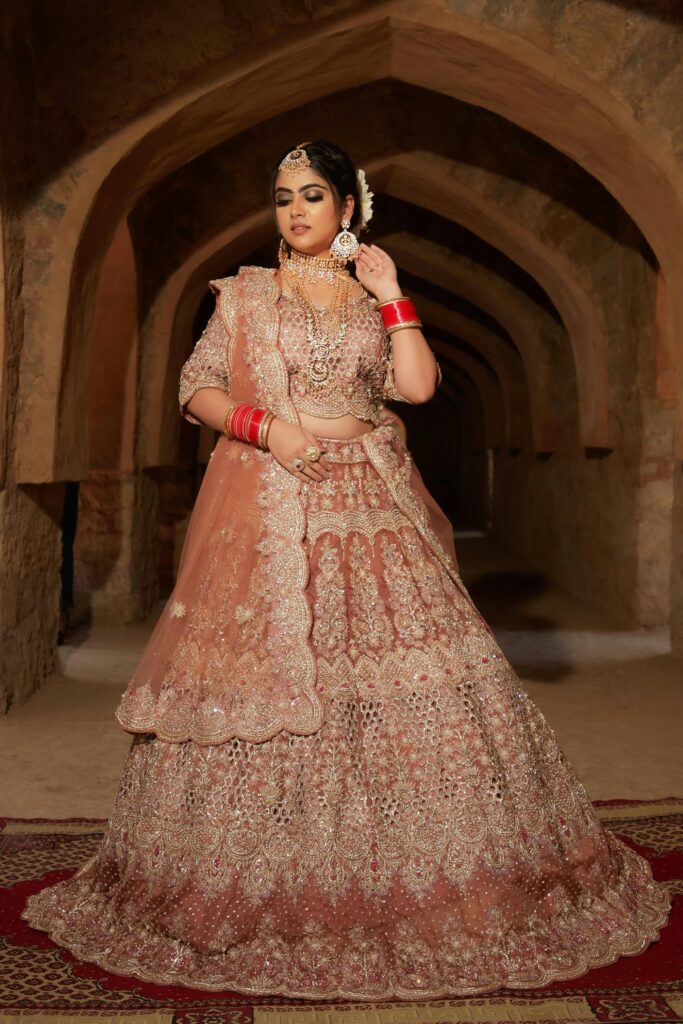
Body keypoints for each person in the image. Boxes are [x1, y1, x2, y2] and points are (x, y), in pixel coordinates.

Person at [22, 140, 670, 999]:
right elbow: (195, 385)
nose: (295, 211)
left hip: (373, 504)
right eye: (283, 196)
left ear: (348, 209)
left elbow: (417, 388)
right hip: (274, 502)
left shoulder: (372, 299)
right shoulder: (246, 294)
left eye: (313, 196)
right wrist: (267, 429)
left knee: (420, 683)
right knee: (274, 684)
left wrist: (395, 296)